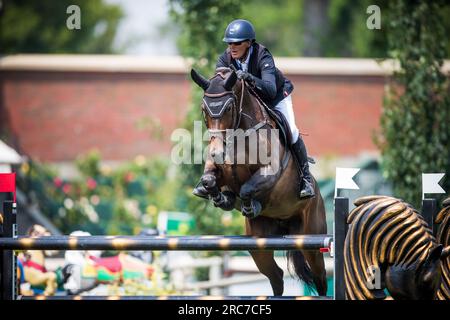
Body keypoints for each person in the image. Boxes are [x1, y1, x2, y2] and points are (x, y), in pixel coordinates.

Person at [193, 19, 315, 200]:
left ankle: (306, 179)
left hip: (276, 97)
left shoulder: (262, 55)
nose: (232, 47)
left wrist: (249, 77)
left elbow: (270, 89)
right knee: (226, 127)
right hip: (249, 101)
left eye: (237, 43)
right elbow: (221, 86)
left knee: (293, 130)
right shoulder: (225, 58)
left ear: (249, 43)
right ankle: (215, 176)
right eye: (229, 43)